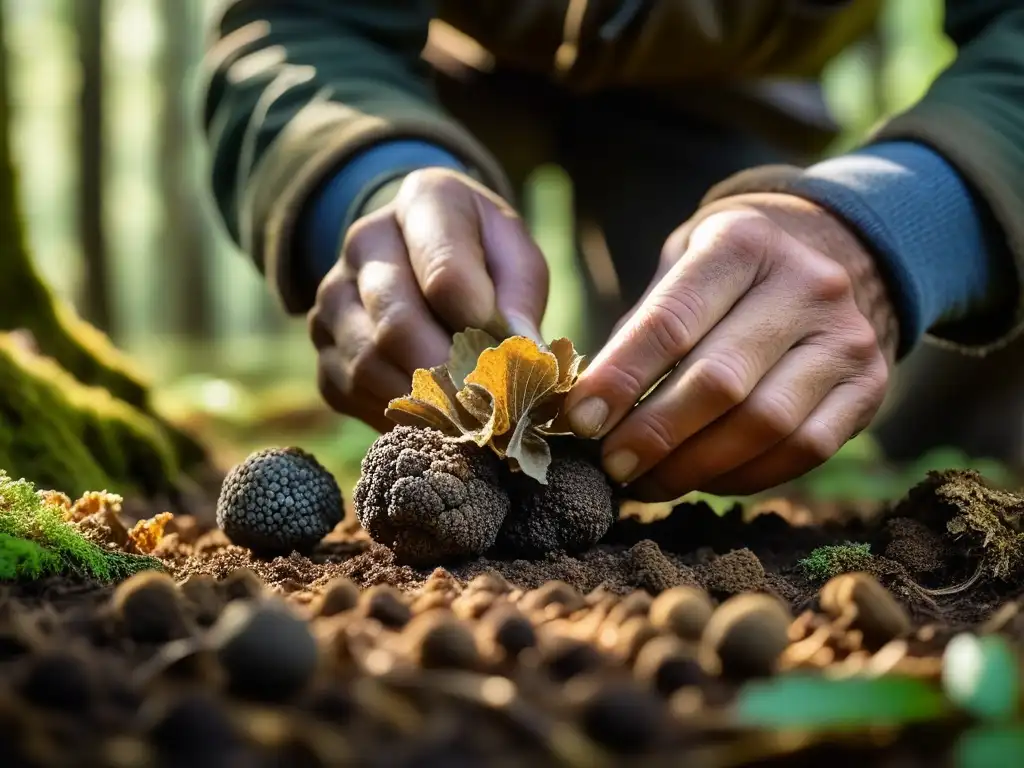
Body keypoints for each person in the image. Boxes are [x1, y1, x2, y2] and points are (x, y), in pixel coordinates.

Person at [200, 0, 1024, 502]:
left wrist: (898, 228)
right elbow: (294, 21)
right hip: (432, 70)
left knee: (748, 410)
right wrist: (368, 182)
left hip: (739, 90)